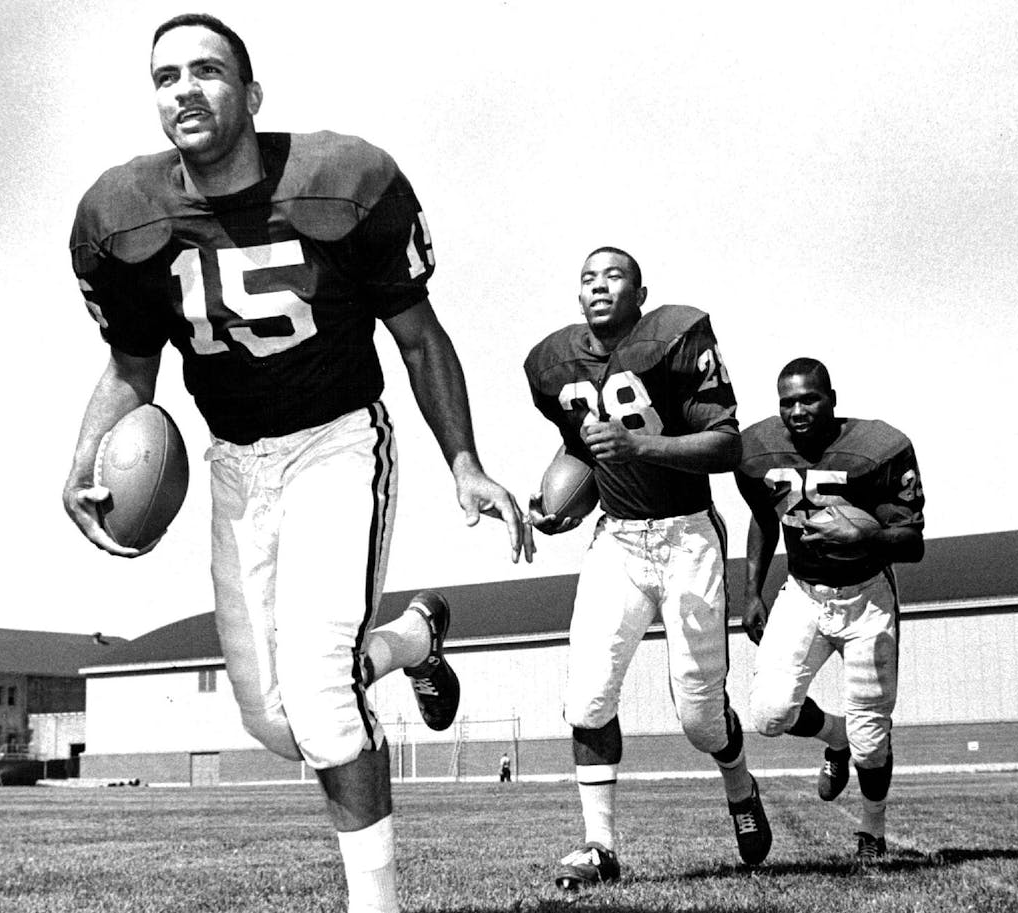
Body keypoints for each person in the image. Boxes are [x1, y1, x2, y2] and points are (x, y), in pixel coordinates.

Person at [62, 15, 526, 913]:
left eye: (207, 70)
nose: (185, 89)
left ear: (252, 93)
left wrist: (464, 462)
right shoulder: (121, 215)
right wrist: (80, 463)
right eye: (165, 77)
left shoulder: (343, 180)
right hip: (236, 464)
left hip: (336, 443)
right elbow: (131, 368)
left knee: (320, 698)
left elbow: (419, 336)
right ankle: (417, 639)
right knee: (274, 724)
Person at [523, 247, 770, 890]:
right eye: (587, 277)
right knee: (586, 698)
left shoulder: (677, 337)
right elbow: (581, 447)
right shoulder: (555, 364)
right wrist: (562, 510)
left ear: (640, 292)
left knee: (699, 719)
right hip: (619, 544)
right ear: (578, 297)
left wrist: (640, 446)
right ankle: (598, 846)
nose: (598, 286)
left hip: (688, 538)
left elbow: (726, 443)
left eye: (614, 276)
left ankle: (739, 785)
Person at [734, 358, 925, 866]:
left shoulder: (880, 448)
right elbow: (762, 519)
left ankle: (872, 830)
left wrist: (867, 534)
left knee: (871, 739)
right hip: (802, 592)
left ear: (832, 398)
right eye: (787, 402)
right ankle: (832, 736)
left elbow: (912, 542)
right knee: (769, 714)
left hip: (866, 595)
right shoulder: (758, 449)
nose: (798, 410)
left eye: (809, 399)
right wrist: (752, 590)